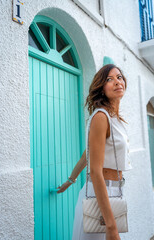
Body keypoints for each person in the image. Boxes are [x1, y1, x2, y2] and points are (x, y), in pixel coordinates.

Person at [57, 64, 132, 240]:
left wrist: (71, 179)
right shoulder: (101, 117)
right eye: (109, 79)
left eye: (119, 77)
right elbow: (95, 171)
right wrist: (111, 225)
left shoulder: (114, 118)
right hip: (100, 195)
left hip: (114, 192)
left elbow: (86, 154)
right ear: (101, 88)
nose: (117, 82)